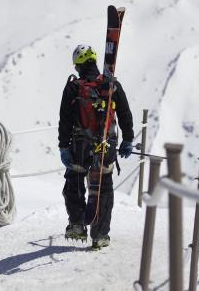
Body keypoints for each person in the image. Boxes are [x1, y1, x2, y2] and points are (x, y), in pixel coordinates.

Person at [58, 44, 134, 250]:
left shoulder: (74, 87)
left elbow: (64, 120)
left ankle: (77, 225)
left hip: (80, 146)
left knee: (74, 184)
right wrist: (127, 140)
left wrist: (63, 146)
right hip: (106, 146)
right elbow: (125, 115)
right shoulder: (111, 85)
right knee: (104, 188)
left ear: (78, 65)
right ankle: (100, 235)